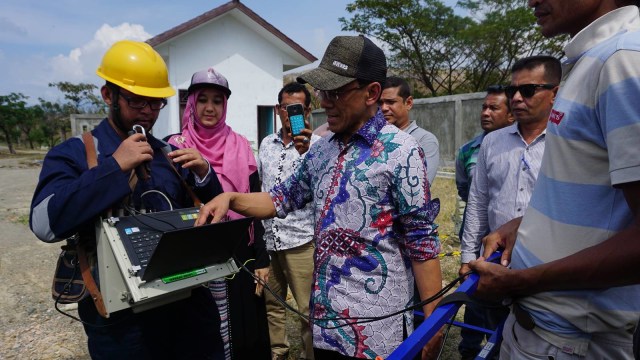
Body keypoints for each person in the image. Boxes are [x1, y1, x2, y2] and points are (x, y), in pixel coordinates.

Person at [195, 35, 444, 360]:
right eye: (323, 91)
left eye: (337, 91)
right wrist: (231, 198)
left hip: (377, 337)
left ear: (371, 93)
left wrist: (435, 326)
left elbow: (422, 243)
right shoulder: (321, 150)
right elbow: (279, 199)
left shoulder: (401, 152)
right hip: (326, 331)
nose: (325, 101)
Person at [29, 40, 225, 359]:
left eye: (155, 102)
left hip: (186, 307)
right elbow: (43, 224)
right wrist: (115, 167)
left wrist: (205, 175)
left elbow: (217, 213)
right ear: (109, 95)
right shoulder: (76, 153)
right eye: (137, 101)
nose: (147, 111)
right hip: (122, 325)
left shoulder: (169, 154)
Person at [470, 2, 640, 358]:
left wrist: (524, 280)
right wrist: (525, 223)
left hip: (568, 341)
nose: (531, 1)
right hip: (543, 330)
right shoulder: (592, 59)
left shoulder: (623, 59)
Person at [165, 67, 271, 360]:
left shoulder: (241, 145)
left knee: (245, 333)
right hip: (198, 256)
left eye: (218, 101)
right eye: (203, 100)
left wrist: (262, 258)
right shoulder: (176, 147)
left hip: (241, 252)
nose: (210, 108)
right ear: (191, 103)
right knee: (206, 333)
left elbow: (252, 206)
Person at [458, 55, 559, 359]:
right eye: (513, 89)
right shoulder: (493, 142)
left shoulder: (566, 141)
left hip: (546, 269)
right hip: (493, 263)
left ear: (555, 93)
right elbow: (477, 203)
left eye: (528, 90)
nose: (516, 97)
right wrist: (467, 257)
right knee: (490, 338)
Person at [258, 82, 319, 360]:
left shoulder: (318, 147)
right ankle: (278, 353)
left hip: (301, 242)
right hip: (269, 242)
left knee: (307, 310)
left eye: (297, 108)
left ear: (307, 111)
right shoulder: (265, 144)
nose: (289, 113)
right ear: (277, 109)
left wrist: (306, 151)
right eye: (285, 107)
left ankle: (312, 355)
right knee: (273, 305)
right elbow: (262, 188)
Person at [454, 84, 514, 358]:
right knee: (476, 304)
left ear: (510, 115)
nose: (486, 113)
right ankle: (469, 350)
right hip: (480, 247)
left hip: (513, 249)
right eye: (483, 107)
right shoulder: (469, 150)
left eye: (494, 107)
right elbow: (468, 194)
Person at [380, 76, 440, 185]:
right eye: (380, 103)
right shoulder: (372, 138)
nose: (384, 108)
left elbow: (421, 185)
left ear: (408, 103)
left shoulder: (424, 140)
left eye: (390, 102)